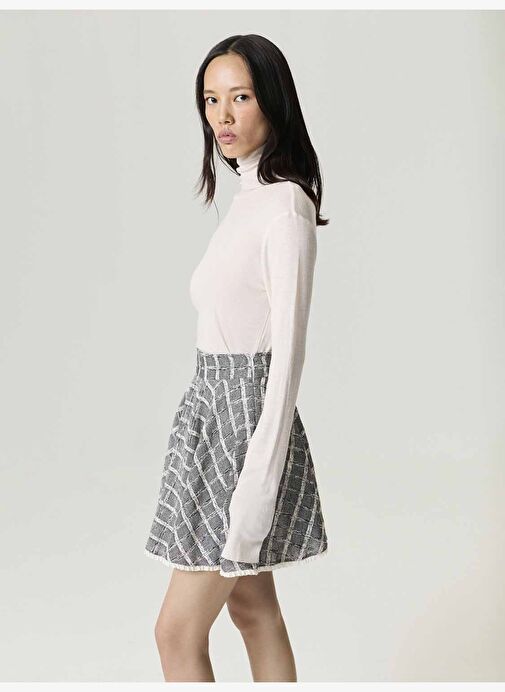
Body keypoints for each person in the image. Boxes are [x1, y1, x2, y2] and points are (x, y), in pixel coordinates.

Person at [144, 33, 329, 683]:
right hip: (211, 417)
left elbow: (288, 355)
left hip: (243, 427)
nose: (221, 116)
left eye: (240, 98)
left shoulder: (285, 207)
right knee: (253, 610)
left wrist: (258, 485)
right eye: (210, 99)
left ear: (273, 101)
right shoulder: (250, 201)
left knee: (176, 633)